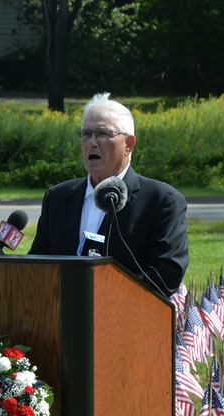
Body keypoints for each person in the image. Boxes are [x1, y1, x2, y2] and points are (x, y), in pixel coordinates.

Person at [28, 93, 189, 296]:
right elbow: (37, 267)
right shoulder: (57, 198)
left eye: (103, 133)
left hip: (126, 320)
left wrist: (99, 298)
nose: (91, 143)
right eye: (86, 134)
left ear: (128, 145)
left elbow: (165, 276)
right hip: (62, 319)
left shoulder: (162, 201)